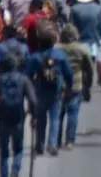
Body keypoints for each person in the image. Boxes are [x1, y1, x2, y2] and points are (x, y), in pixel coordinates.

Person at [25, 27, 74, 156]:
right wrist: (69, 86)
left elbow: (28, 75)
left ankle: (39, 144)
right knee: (54, 119)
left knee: (40, 119)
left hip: (39, 92)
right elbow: (68, 73)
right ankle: (52, 144)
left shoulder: (34, 57)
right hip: (56, 91)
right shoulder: (60, 55)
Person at [56, 24, 94, 150]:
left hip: (59, 85)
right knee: (73, 114)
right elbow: (89, 69)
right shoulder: (82, 49)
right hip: (76, 84)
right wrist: (88, 85)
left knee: (58, 115)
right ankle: (70, 141)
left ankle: (56, 140)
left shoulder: (56, 49)